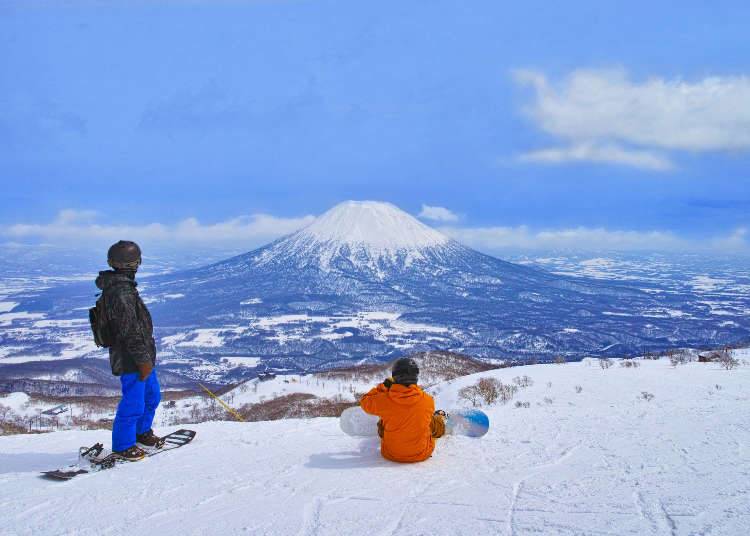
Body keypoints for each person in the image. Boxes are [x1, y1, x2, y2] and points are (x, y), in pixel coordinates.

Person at [96, 240, 161, 460]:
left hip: (141, 355)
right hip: (131, 358)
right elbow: (130, 332)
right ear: (136, 263)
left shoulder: (123, 287)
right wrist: (143, 361)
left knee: (152, 396)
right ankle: (123, 445)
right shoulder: (121, 293)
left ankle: (141, 433)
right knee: (133, 401)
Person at [360, 357, 446, 463]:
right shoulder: (428, 400)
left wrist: (384, 387)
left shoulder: (384, 401)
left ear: (395, 376)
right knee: (430, 421)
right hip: (422, 454)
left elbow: (364, 401)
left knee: (384, 420)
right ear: (415, 376)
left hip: (391, 454)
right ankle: (442, 419)